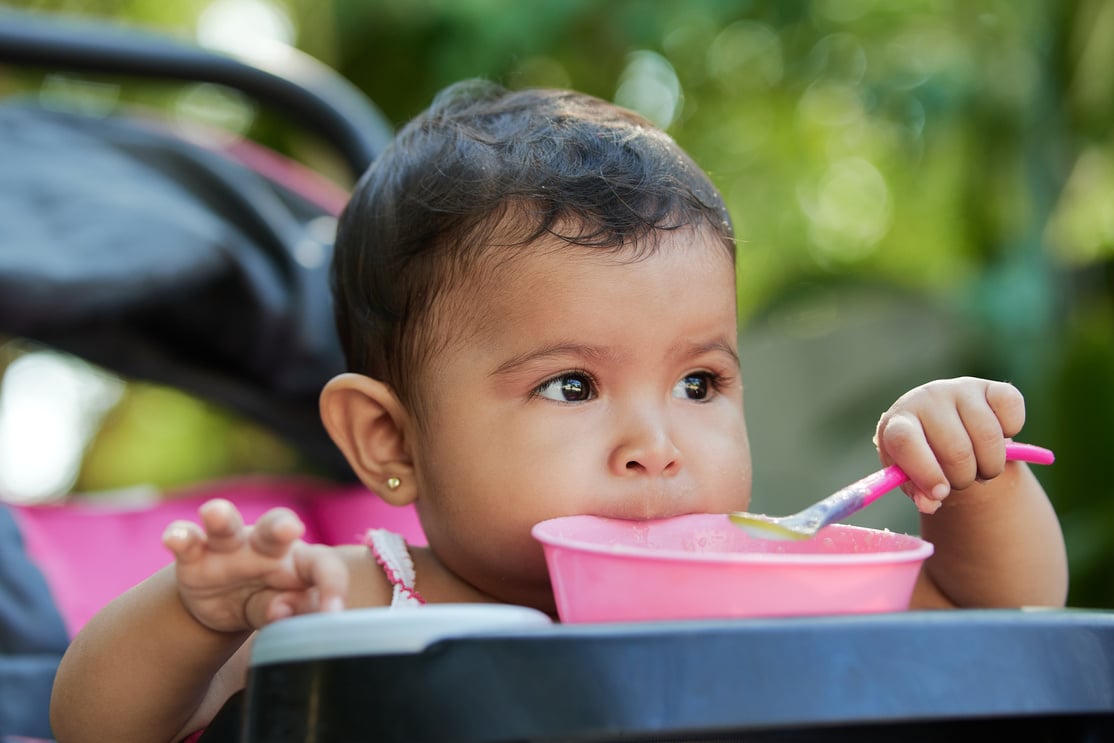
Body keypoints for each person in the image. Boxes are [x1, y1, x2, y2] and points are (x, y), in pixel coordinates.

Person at [49, 79, 1068, 743]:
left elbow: (996, 616)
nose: (655, 446)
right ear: (390, 439)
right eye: (571, 385)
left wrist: (971, 477)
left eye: (699, 382)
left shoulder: (762, 591)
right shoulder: (350, 597)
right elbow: (94, 727)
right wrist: (196, 615)